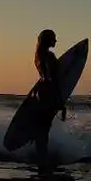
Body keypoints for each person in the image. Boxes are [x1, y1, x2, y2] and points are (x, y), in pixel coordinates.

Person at [33, 29, 66, 171]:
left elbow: (43, 78)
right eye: (54, 38)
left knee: (41, 130)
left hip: (40, 95)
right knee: (44, 130)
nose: (56, 41)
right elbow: (51, 79)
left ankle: (41, 160)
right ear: (48, 40)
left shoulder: (38, 56)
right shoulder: (49, 56)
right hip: (48, 96)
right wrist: (60, 102)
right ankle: (42, 164)